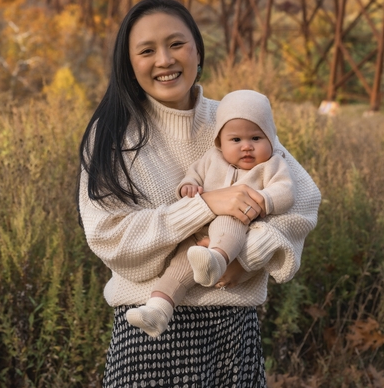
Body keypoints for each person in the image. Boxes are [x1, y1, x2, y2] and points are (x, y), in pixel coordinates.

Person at [78, 0, 320, 388]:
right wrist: (206, 205)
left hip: (232, 328)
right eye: (146, 51)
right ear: (128, 63)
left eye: (176, 44)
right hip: (152, 334)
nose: (165, 60)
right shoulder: (113, 133)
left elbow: (302, 200)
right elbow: (110, 238)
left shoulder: (233, 118)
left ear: (198, 50)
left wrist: (248, 256)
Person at [126, 89, 295, 338]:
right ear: (220, 142)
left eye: (256, 138)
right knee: (179, 268)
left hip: (238, 225)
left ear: (271, 139)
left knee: (230, 218)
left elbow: (286, 191)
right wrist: (189, 187)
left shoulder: (273, 164)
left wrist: (264, 199)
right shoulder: (211, 158)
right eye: (236, 140)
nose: (246, 147)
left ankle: (217, 259)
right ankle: (158, 309)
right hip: (198, 234)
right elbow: (192, 177)